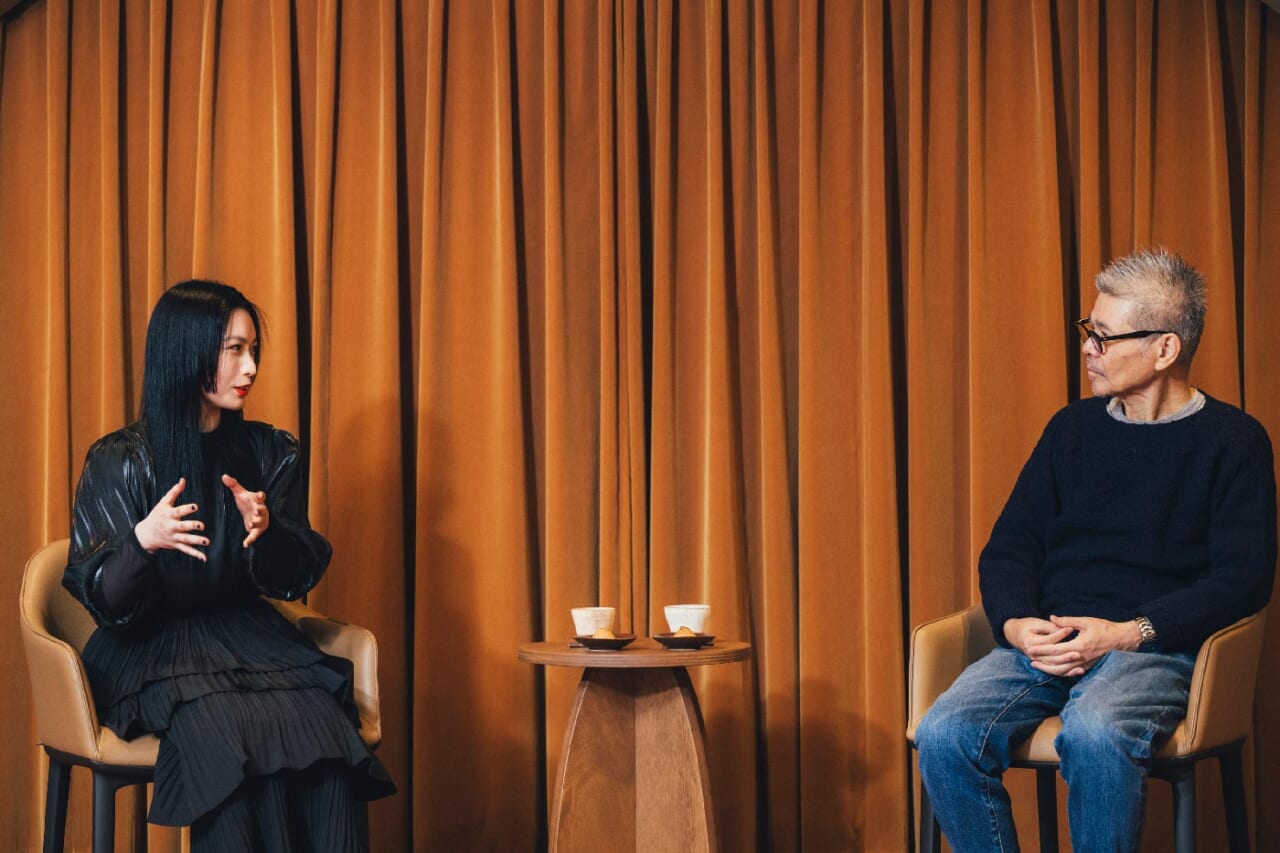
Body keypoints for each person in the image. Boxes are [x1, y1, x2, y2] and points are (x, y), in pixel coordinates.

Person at [913, 249, 1276, 852]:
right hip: (1049, 642)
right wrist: (1017, 623)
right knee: (944, 733)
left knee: (1095, 731)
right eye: (1088, 332)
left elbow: (1243, 578)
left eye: (1103, 337)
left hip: (1154, 648)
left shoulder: (1234, 442)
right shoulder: (1071, 429)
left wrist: (1130, 633)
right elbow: (1010, 546)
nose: (1087, 349)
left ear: (1165, 348)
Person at [63, 280, 394, 851]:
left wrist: (266, 534)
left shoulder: (271, 451)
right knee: (225, 735)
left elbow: (294, 577)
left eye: (253, 350)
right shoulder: (120, 459)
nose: (251, 367)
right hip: (150, 648)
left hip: (248, 637)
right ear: (187, 354)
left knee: (324, 726)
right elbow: (106, 601)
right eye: (234, 350)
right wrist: (142, 542)